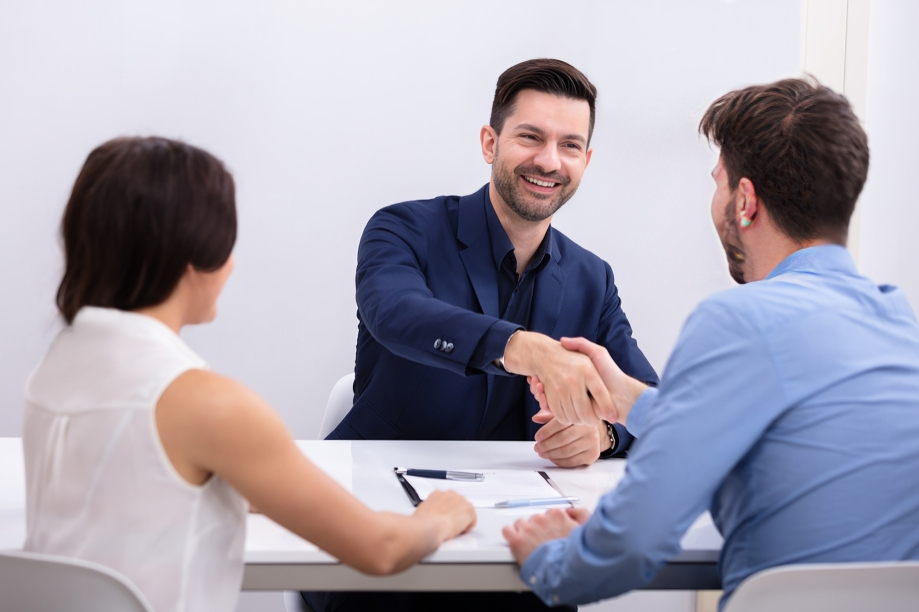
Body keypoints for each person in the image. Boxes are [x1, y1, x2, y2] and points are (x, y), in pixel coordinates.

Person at [503, 78, 919, 609]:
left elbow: (630, 547)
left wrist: (549, 559)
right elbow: (786, 439)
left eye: (718, 183)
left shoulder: (738, 320)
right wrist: (629, 401)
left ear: (745, 201)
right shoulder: (896, 318)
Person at [22, 137, 476, 612]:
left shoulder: (52, 372)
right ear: (194, 258)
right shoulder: (207, 405)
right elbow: (382, 550)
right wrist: (438, 517)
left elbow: (134, 494)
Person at [332, 58, 658, 466]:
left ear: (585, 161)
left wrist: (605, 434)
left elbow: (647, 396)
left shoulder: (594, 278)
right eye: (531, 137)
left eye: (569, 145)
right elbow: (396, 313)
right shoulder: (403, 228)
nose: (549, 162)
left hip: (523, 505)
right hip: (375, 487)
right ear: (490, 143)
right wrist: (525, 349)